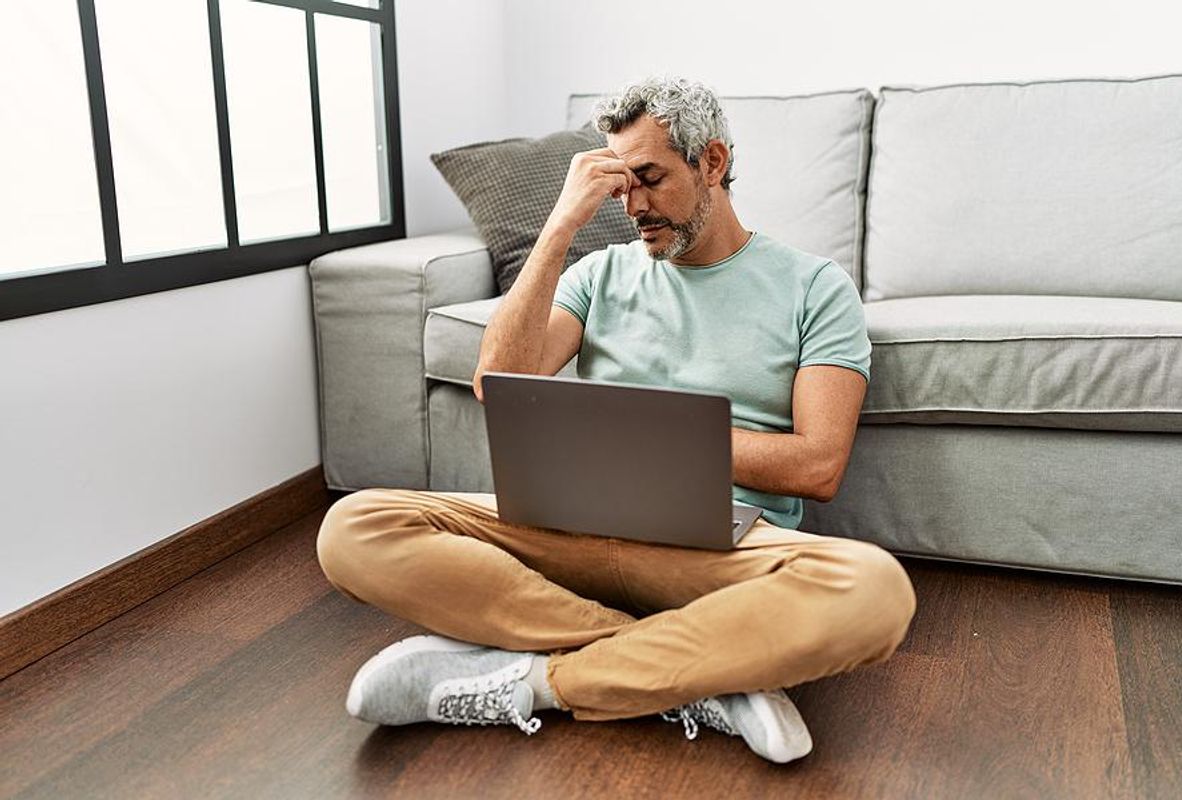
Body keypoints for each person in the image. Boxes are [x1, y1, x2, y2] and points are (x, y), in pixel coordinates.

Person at [316, 76, 917, 764]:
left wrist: (669, 443)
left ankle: (540, 681)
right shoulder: (597, 274)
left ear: (713, 163)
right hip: (570, 532)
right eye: (617, 184)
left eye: (650, 178)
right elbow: (500, 382)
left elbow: (817, 466)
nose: (632, 204)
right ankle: (698, 670)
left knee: (875, 591)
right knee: (355, 527)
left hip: (722, 545)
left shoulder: (814, 287)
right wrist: (560, 225)